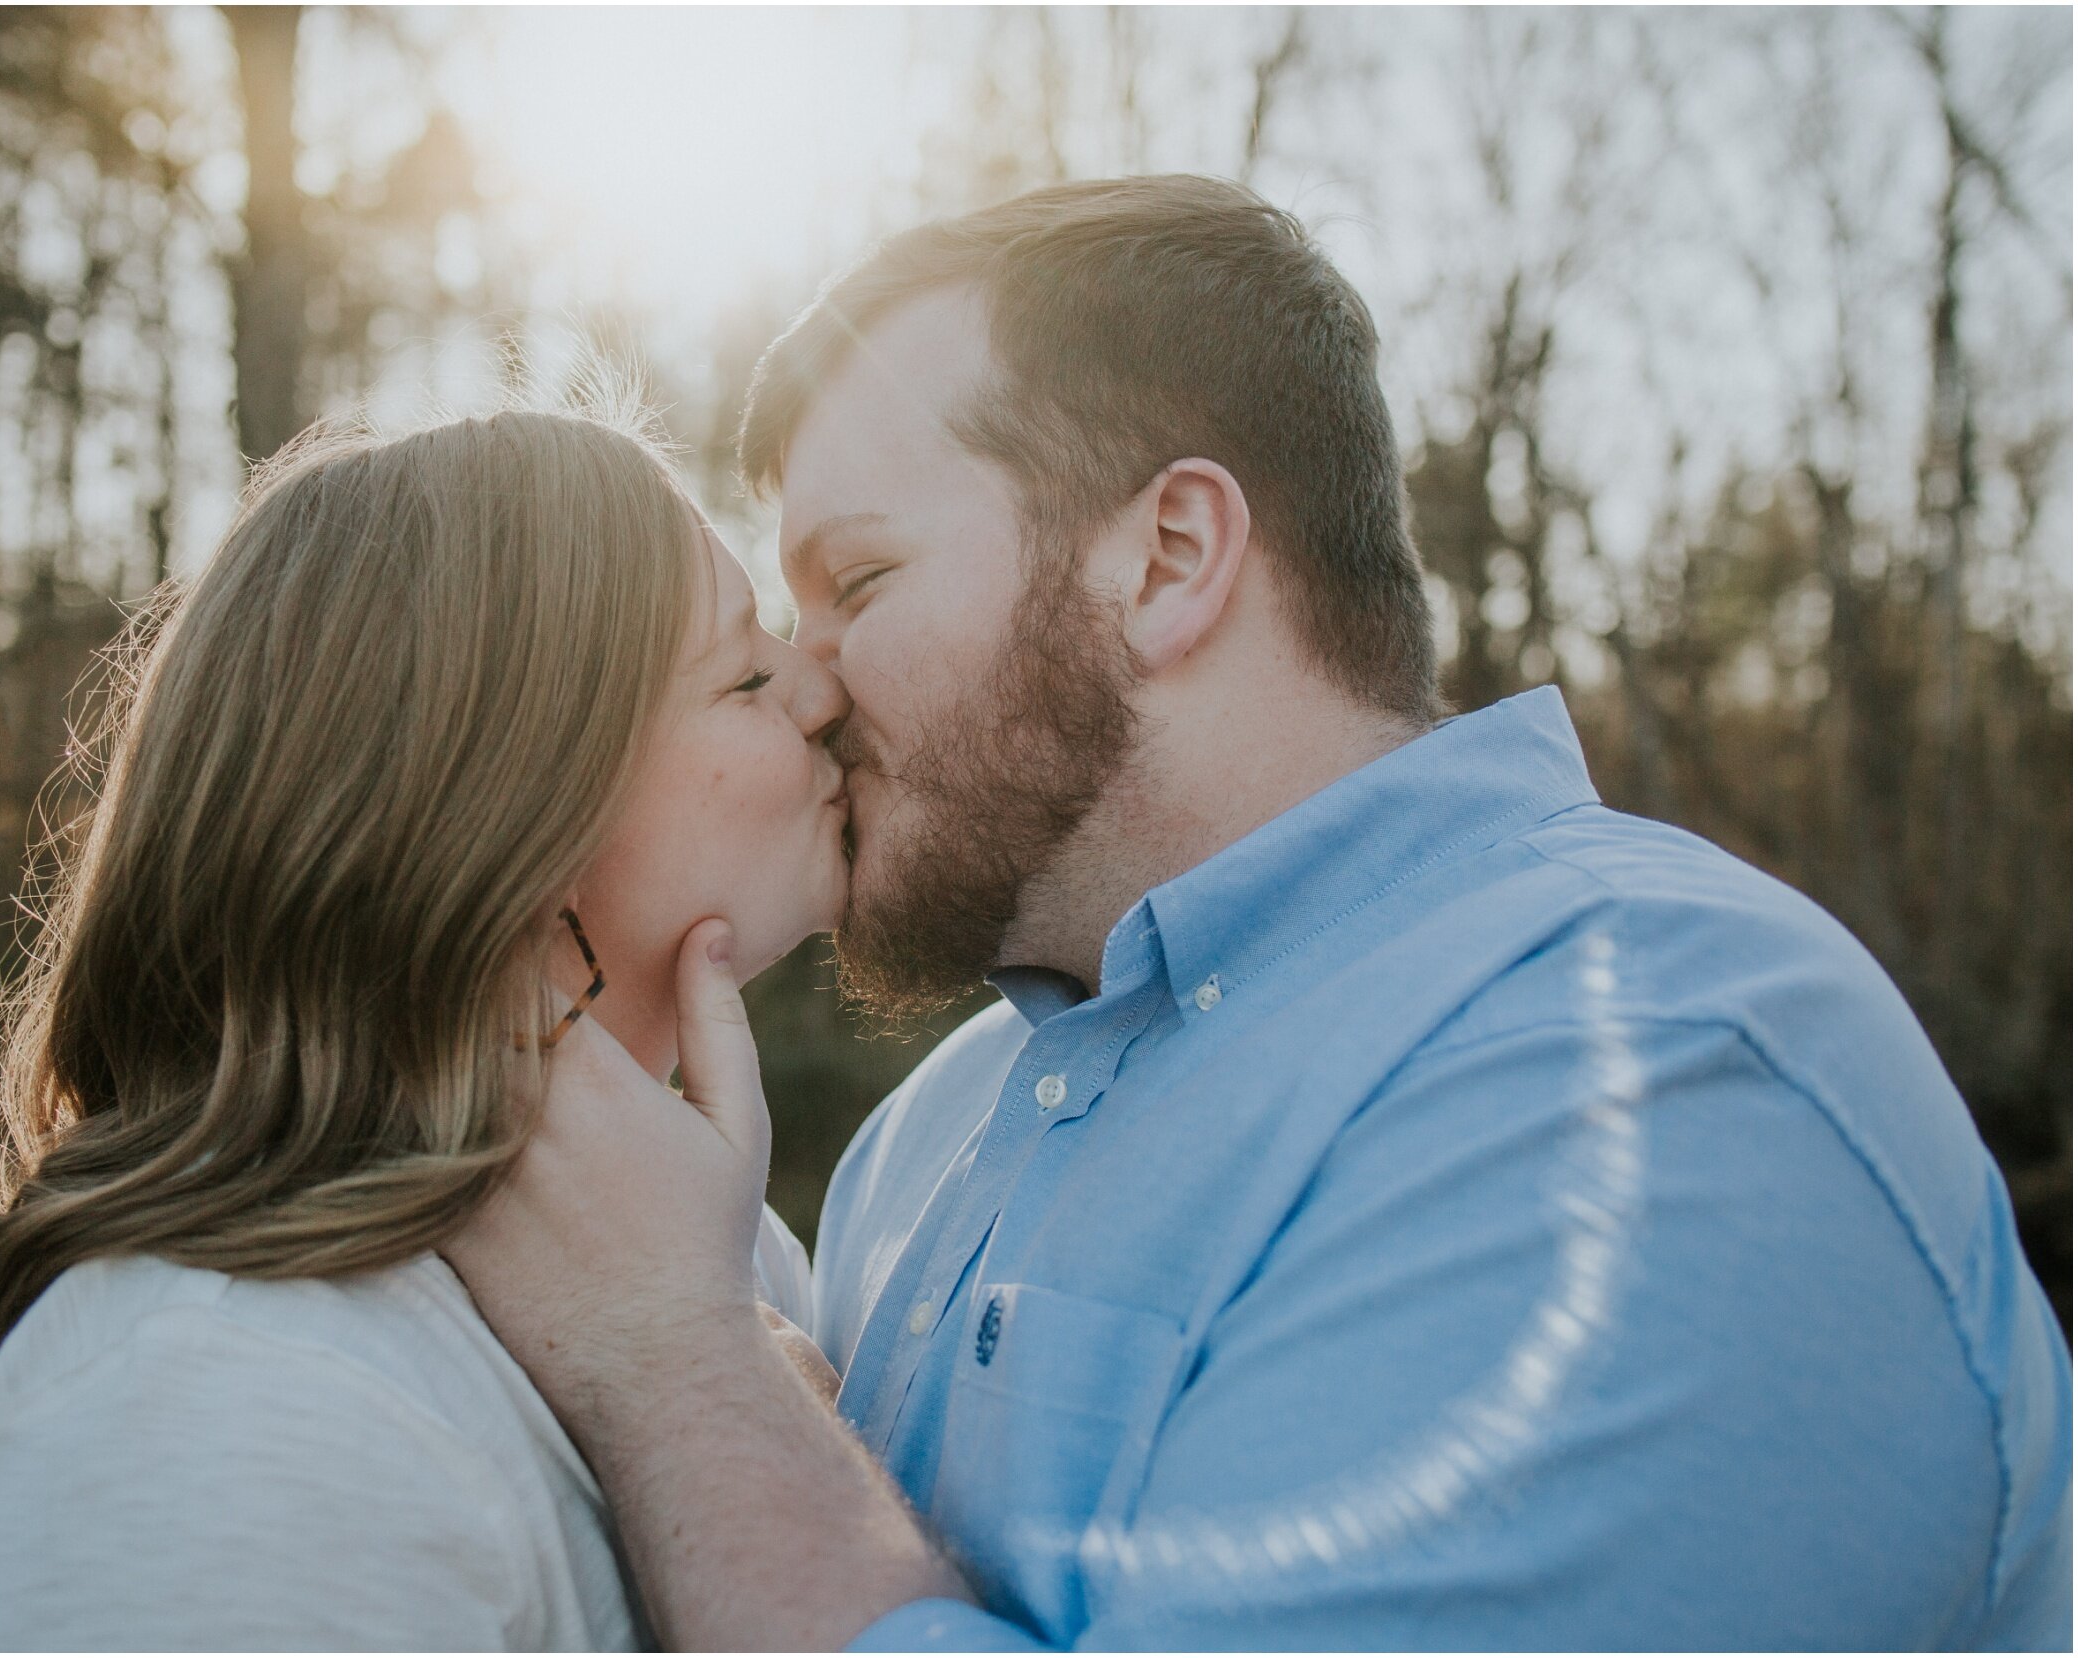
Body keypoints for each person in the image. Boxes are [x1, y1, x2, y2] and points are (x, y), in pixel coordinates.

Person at [444, 176, 2075, 1650]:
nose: (801, 687)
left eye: (858, 583)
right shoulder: (923, 1146)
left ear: (1167, 554)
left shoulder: (1645, 1076)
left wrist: (676, 1359)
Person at [0, 408, 848, 1650]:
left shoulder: (722, 1246)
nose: (823, 689)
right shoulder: (219, 1417)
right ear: (510, 822)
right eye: (744, 673)